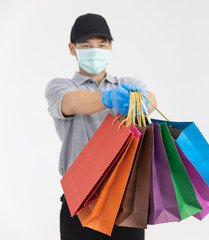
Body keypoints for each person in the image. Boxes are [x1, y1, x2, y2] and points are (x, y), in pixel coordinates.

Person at [45, 13, 156, 240]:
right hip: (81, 198)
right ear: (72, 48)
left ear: (111, 47)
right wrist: (107, 99)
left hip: (126, 197)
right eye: (86, 45)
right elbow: (73, 102)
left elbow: (152, 101)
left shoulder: (128, 84)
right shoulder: (60, 87)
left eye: (101, 44)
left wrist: (143, 101)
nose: (95, 50)